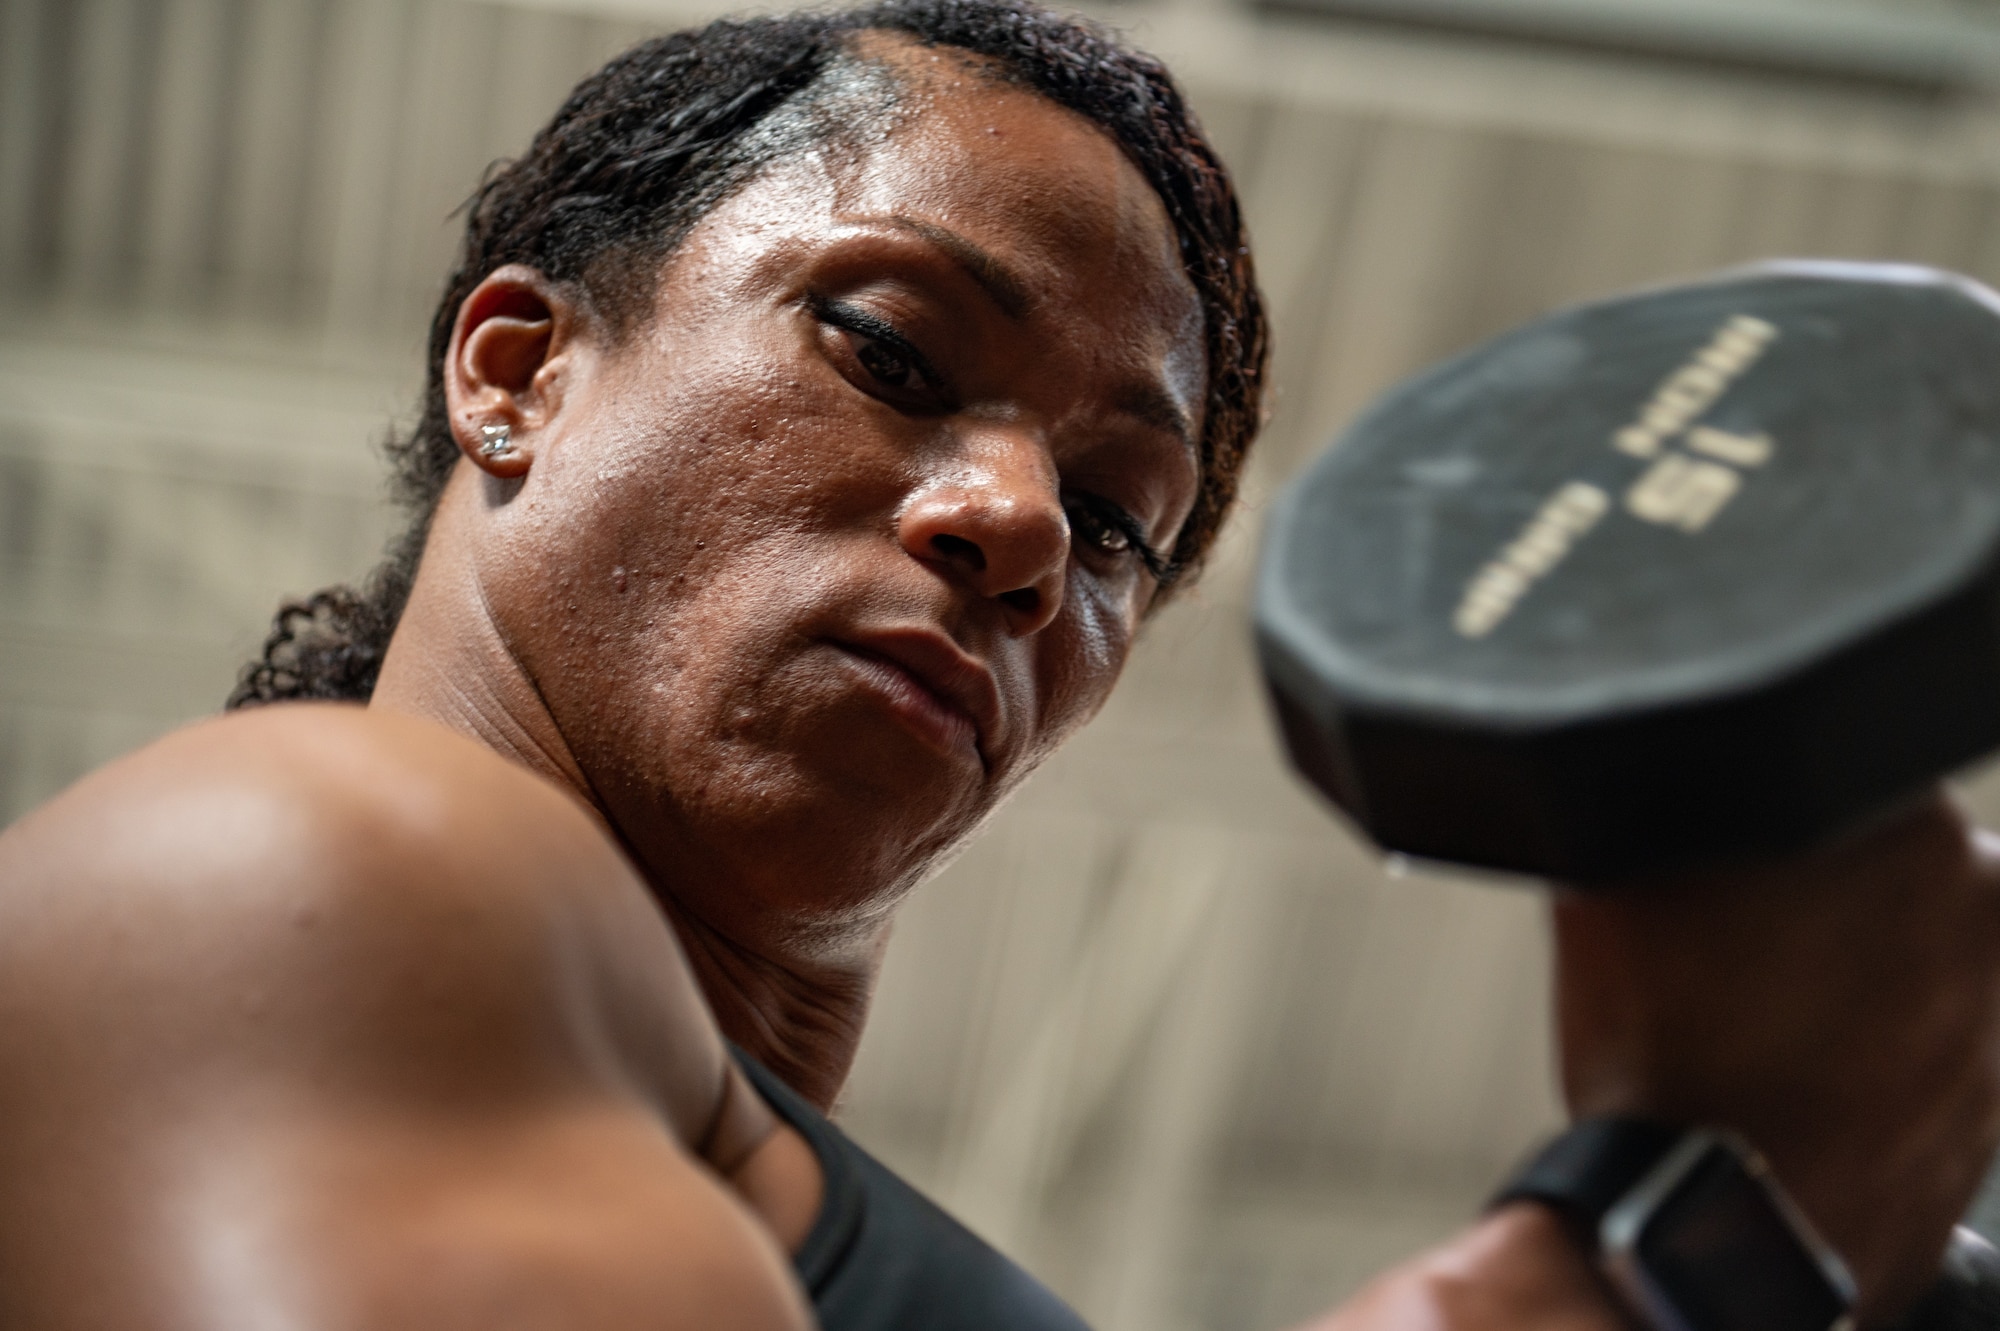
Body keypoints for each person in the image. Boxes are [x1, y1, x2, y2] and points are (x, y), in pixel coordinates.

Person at [1, 1, 1996, 1327]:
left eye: (1122, 522)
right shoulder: (276, 864)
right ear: (520, 371)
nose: (1022, 531)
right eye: (888, 349)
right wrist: (1662, 1240)